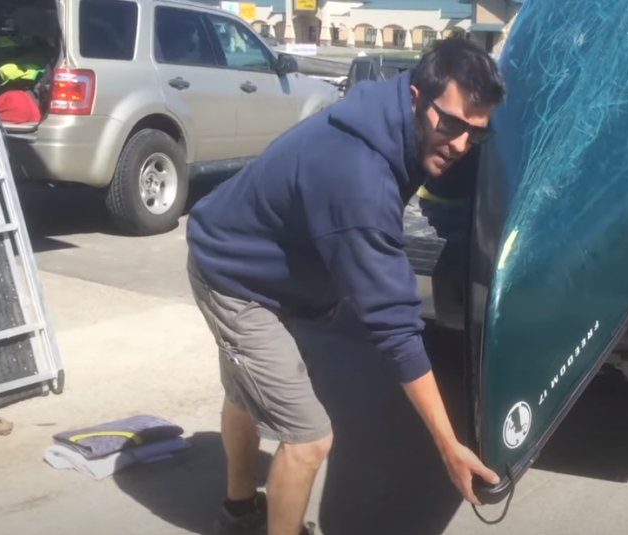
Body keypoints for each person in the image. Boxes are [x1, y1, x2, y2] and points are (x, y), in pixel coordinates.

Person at [184, 37, 506, 535]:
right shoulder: (359, 176)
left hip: (266, 263)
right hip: (233, 276)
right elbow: (396, 327)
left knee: (248, 391)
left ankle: (238, 509)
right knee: (309, 439)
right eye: (452, 124)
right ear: (419, 99)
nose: (461, 143)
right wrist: (449, 444)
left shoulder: (395, 107)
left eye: (476, 134)